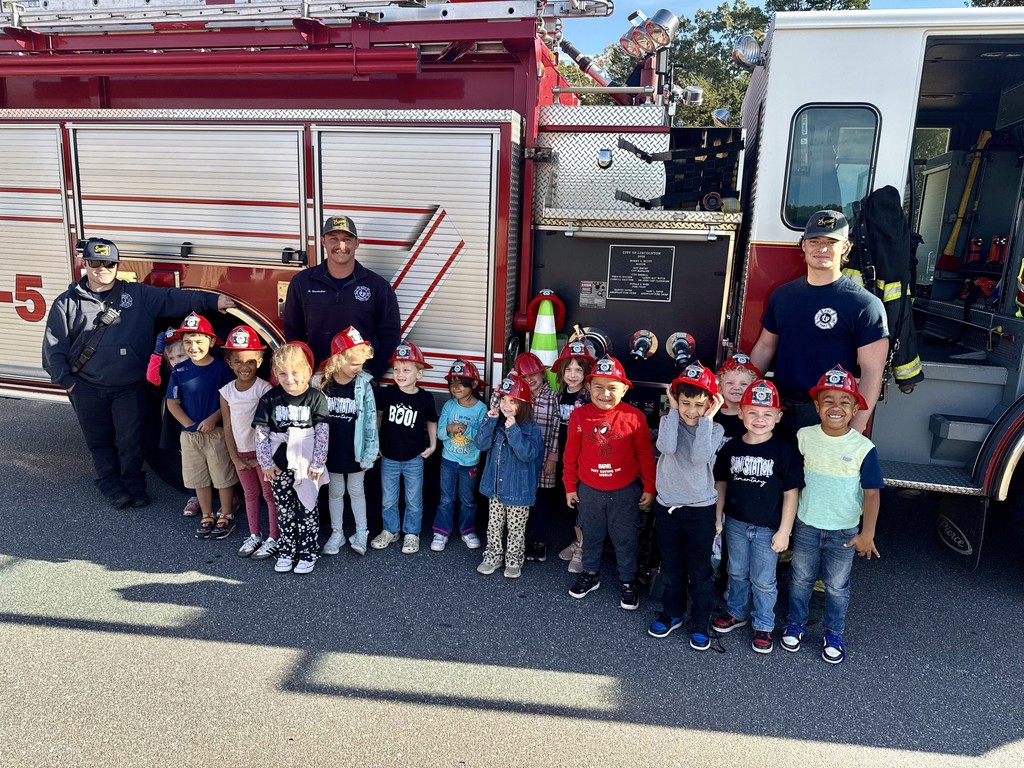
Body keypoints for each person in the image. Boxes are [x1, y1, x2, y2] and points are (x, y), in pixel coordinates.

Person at [42, 237, 234, 509]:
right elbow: (53, 346)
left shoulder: (138, 295)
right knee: (99, 440)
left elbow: (175, 298)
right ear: (84, 264)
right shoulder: (67, 303)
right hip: (87, 387)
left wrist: (213, 301)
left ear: (117, 265)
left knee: (130, 439)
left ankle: (134, 484)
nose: (102, 269)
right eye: (95, 263)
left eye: (108, 263)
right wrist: (69, 383)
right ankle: (110, 484)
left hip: (129, 386)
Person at [779, 366, 884, 664]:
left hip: (845, 532)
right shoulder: (804, 436)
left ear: (855, 408)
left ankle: (833, 633)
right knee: (800, 579)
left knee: (837, 586)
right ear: (816, 406)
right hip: (807, 525)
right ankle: (795, 624)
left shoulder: (864, 448)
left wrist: (868, 533)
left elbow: (872, 492)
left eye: (844, 402)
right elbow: (791, 481)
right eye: (828, 401)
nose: (835, 408)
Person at [750, 210, 888, 435]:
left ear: (845, 247)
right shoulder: (783, 295)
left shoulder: (865, 305)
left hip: (828, 417)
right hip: (778, 410)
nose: (821, 248)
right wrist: (751, 398)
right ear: (803, 245)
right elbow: (765, 347)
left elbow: (873, 371)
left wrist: (856, 426)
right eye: (814, 241)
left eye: (831, 242)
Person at [711, 379, 803, 654]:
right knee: (736, 572)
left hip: (768, 529)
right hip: (736, 524)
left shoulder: (784, 451)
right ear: (740, 413)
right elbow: (721, 485)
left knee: (763, 579)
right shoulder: (731, 448)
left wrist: (785, 530)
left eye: (767, 414)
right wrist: (718, 519)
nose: (759, 419)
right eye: (752, 412)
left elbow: (791, 492)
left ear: (778, 416)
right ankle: (736, 613)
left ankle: (764, 624)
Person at [563, 355, 656, 611]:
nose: (605, 394)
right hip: (590, 490)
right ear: (588, 387)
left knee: (625, 538)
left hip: (625, 491)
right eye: (598, 387)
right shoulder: (579, 416)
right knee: (591, 535)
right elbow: (570, 454)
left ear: (624, 389)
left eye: (612, 388)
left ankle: (627, 581)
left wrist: (649, 486)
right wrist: (570, 486)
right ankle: (591, 574)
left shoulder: (634, 417)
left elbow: (645, 455)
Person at [646, 362, 726, 650]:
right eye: (685, 402)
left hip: (700, 511)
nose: (691, 410)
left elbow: (699, 456)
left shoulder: (713, 428)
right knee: (672, 566)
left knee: (699, 570)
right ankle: (672, 613)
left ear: (711, 404)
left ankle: (701, 620)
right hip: (668, 508)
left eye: (699, 404)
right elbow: (666, 448)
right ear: (676, 399)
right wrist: (671, 411)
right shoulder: (670, 421)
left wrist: (707, 419)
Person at [283, 215, 401, 378]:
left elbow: (391, 335)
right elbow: (293, 332)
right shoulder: (302, 282)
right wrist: (306, 369)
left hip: (358, 378)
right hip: (317, 375)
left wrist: (371, 374)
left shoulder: (377, 286)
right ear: (323, 241)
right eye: (334, 239)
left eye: (347, 239)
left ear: (356, 243)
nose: (341, 245)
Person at [252, 342, 329, 575]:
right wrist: (266, 463)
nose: (289, 379)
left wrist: (318, 463)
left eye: (295, 372)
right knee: (284, 508)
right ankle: (287, 549)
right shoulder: (270, 398)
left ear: (307, 370)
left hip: (306, 463)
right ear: (275, 373)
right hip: (278, 465)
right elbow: (261, 433)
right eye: (283, 373)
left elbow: (323, 433)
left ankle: (308, 550)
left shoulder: (316, 397)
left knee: (307, 507)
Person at [165, 313, 238, 539]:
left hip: (216, 433)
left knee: (222, 475)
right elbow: (171, 402)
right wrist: (189, 424)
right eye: (187, 342)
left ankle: (226, 514)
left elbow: (229, 400)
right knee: (198, 477)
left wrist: (213, 419)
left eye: (198, 341)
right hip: (190, 436)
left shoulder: (221, 370)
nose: (193, 347)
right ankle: (207, 513)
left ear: (212, 342)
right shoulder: (179, 371)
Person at [475, 375, 544, 579]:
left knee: (516, 528)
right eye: (503, 399)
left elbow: (528, 454)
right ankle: (493, 556)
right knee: (494, 525)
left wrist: (513, 430)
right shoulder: (496, 424)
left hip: (518, 492)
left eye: (512, 401)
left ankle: (514, 560)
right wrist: (489, 420)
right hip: (495, 488)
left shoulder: (532, 429)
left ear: (524, 405)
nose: (505, 405)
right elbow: (481, 444)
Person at [218, 325, 278, 559]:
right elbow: (228, 427)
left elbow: (271, 427)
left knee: (269, 495)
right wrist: (235, 457)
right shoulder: (226, 392)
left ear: (260, 362)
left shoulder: (265, 389)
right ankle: (255, 535)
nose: (245, 367)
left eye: (251, 362)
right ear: (230, 363)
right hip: (241, 456)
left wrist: (261, 458)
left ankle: (274, 536)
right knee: (250, 494)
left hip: (262, 456)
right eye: (239, 362)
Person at [373, 340, 438, 555]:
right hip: (389, 457)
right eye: (397, 369)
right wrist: (376, 444)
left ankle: (412, 533)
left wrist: (433, 444)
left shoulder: (425, 398)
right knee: (388, 498)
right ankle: (390, 530)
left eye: (406, 370)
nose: (400, 374)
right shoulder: (387, 394)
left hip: (414, 458)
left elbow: (431, 420)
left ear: (419, 374)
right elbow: (379, 416)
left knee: (414, 498)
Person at [320, 327, 379, 557]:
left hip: (356, 451)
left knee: (356, 490)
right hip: (331, 451)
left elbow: (371, 420)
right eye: (354, 363)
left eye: (361, 363)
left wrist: (370, 453)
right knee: (334, 491)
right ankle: (337, 532)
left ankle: (361, 531)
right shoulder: (322, 384)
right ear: (337, 360)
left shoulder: (364, 384)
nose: (359, 368)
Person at [431, 359, 487, 553]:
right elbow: (439, 433)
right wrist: (450, 428)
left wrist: (467, 430)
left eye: (460, 382)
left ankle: (468, 530)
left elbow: (482, 439)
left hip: (469, 463)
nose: (455, 387)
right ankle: (441, 531)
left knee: (467, 499)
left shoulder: (481, 409)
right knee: (446, 498)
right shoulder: (449, 406)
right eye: (452, 383)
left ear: (473, 384)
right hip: (448, 461)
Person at [509, 353, 560, 562]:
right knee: (522, 500)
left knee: (542, 502)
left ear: (542, 373)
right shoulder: (517, 395)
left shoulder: (553, 396)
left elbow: (557, 427)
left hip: (544, 457)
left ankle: (539, 541)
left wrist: (553, 457)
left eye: (533, 374)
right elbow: (497, 404)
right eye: (524, 376)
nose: (530, 379)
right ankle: (518, 540)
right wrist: (509, 378)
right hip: (522, 458)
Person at [551, 341, 594, 574]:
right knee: (570, 502)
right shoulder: (560, 395)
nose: (573, 375)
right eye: (568, 369)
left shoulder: (588, 397)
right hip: (565, 456)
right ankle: (578, 541)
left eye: (579, 370)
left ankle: (584, 548)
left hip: (583, 458)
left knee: (582, 503)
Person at [714, 353, 760, 442]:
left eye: (743, 384)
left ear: (753, 389)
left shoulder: (755, 421)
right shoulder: (711, 415)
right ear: (720, 387)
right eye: (730, 383)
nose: (736, 388)